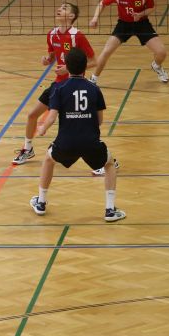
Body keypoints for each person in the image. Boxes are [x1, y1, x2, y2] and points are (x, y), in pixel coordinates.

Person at [28, 47, 125, 222]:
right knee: (110, 164)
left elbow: (52, 116)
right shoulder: (94, 89)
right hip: (90, 142)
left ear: (67, 66)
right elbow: (99, 120)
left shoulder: (59, 88)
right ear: (85, 66)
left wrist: (42, 128)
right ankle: (110, 210)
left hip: (66, 142)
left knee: (49, 160)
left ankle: (41, 202)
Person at [12, 2, 96, 165]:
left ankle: (102, 160)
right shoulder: (51, 34)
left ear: (71, 16)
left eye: (64, 8)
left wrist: (69, 69)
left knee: (81, 126)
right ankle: (28, 149)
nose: (59, 9)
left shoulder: (77, 36)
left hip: (74, 86)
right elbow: (52, 56)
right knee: (32, 115)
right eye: (59, 7)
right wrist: (47, 60)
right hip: (58, 85)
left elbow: (94, 61)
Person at [88, 0, 169, 84]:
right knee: (106, 51)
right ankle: (94, 78)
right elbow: (102, 4)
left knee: (162, 52)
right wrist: (95, 18)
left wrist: (140, 14)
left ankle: (156, 66)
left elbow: (152, 7)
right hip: (123, 25)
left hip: (142, 24)